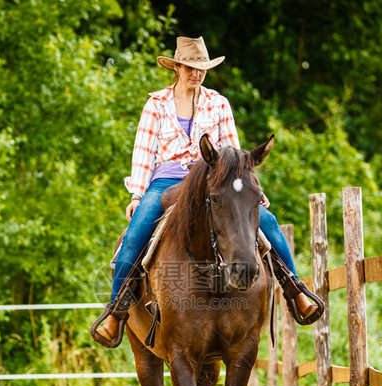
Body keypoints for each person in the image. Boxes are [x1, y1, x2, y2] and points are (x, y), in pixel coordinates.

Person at [92, 36, 322, 348]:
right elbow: (143, 152)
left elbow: (236, 154)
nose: (195, 73)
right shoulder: (156, 104)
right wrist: (136, 195)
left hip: (214, 181)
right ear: (177, 68)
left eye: (201, 68)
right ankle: (116, 312)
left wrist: (254, 191)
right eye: (189, 67)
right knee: (134, 237)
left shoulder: (219, 103)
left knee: (267, 222)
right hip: (166, 181)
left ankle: (295, 290)